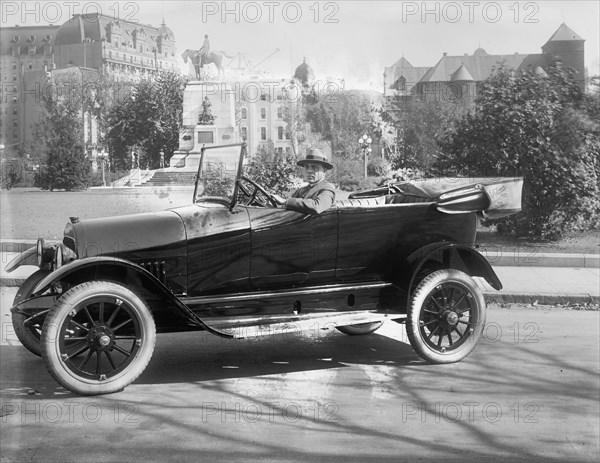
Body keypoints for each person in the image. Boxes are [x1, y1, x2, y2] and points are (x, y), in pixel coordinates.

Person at [275, 148, 335, 214]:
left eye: (314, 167)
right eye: (306, 167)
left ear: (324, 170)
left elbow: (317, 206)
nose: (309, 171)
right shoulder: (301, 190)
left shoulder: (327, 189)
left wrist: (286, 201)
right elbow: (286, 208)